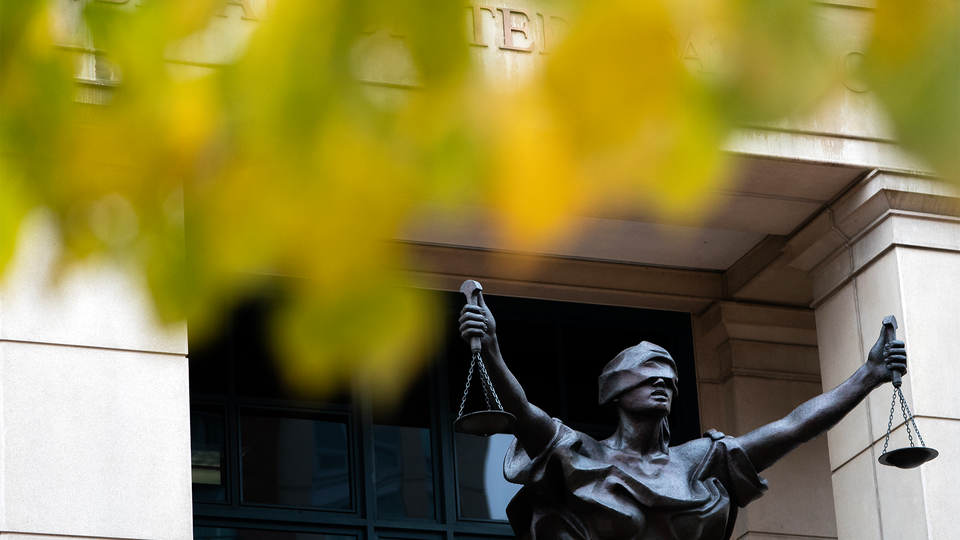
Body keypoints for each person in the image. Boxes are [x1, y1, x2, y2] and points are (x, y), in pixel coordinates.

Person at [459, 293, 906, 540]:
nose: (662, 384)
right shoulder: (581, 455)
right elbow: (519, 411)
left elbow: (792, 427)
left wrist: (867, 376)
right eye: (647, 375)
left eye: (670, 379)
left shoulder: (697, 462)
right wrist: (493, 351)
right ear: (615, 391)